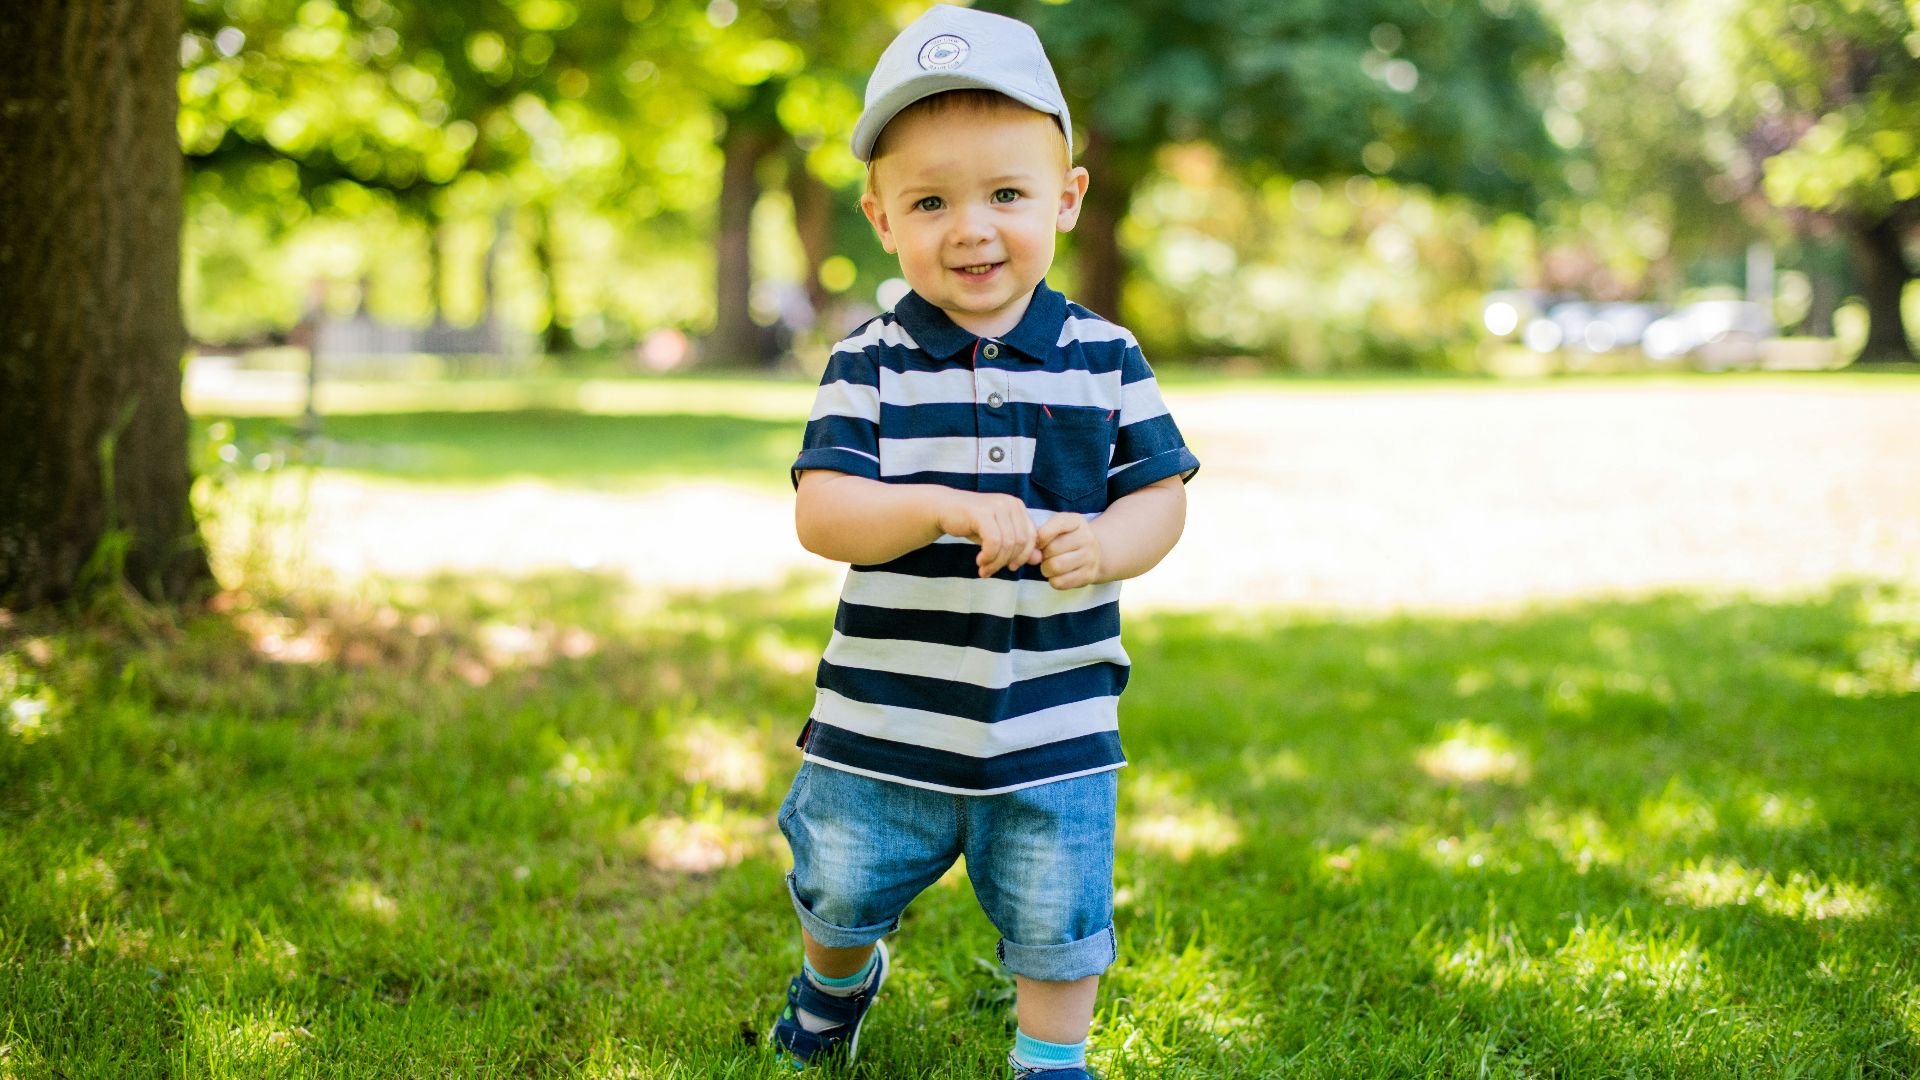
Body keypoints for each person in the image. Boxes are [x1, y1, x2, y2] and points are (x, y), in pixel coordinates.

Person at [771, 6, 1199, 1077]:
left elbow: (1160, 496)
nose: (970, 229)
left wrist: (1108, 545)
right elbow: (824, 512)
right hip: (883, 720)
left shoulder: (1104, 355)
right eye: (931, 202)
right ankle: (835, 985)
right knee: (839, 886)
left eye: (1006, 194)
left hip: (1054, 722)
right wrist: (937, 507)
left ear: (1066, 197)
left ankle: (1050, 1058)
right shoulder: (869, 361)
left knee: (1061, 911)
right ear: (881, 218)